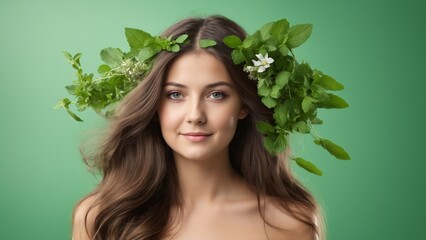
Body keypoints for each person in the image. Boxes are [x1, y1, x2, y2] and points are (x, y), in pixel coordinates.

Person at [71, 15, 325, 240]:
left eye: (216, 95)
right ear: (154, 106)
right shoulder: (101, 217)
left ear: (243, 106)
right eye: (175, 95)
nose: (195, 116)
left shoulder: (291, 222)